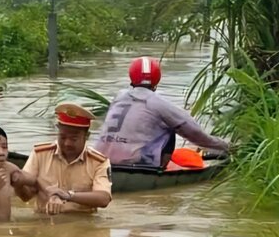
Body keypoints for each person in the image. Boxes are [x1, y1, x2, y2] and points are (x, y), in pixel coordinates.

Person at [93, 56, 231, 168]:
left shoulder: (118, 97)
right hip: (136, 164)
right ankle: (158, 169)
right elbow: (196, 135)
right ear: (157, 79)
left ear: (131, 77)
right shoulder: (159, 104)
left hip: (99, 161)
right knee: (170, 128)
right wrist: (226, 147)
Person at [12, 103, 113, 215]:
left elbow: (104, 199)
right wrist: (18, 184)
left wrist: (68, 195)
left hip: (81, 223)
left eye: (74, 139)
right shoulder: (40, 154)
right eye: (62, 137)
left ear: (87, 136)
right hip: (44, 221)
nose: (67, 143)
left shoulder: (99, 162)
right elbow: (26, 197)